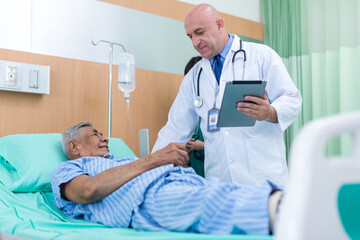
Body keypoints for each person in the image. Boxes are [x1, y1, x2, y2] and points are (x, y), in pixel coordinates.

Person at [152, 4, 302, 187]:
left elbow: (293, 100)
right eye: (190, 36)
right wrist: (148, 168)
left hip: (262, 179)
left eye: (200, 32)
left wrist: (269, 112)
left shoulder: (261, 56)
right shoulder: (194, 76)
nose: (195, 42)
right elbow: (174, 129)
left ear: (220, 25)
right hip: (219, 184)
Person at [52, 122, 283, 235]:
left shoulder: (121, 160)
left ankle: (290, 202)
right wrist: (154, 159)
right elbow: (87, 191)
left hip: (182, 181)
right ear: (74, 146)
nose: (105, 138)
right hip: (146, 199)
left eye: (103, 134)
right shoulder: (69, 169)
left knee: (224, 191)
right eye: (95, 134)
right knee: (208, 201)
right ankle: (285, 210)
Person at [184, 56, 205, 177]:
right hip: (194, 168)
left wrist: (201, 146)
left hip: (213, 168)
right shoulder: (188, 106)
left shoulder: (216, 105)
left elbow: (228, 144)